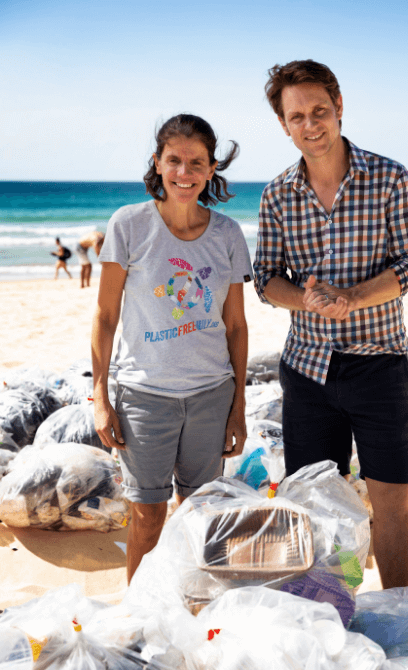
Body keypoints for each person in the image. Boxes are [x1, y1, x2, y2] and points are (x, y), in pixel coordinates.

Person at [253, 60, 408, 590]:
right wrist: (308, 302)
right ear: (283, 125)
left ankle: (398, 609)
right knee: (312, 506)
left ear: (338, 108)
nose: (311, 125)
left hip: (380, 365)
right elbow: (265, 279)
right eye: (297, 116)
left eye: (319, 111)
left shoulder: (388, 177)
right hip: (307, 372)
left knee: (391, 502)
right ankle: (331, 607)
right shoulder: (277, 195)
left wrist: (350, 298)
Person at [92, 114, 252, 583]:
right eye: (175, 160)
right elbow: (104, 317)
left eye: (196, 162)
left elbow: (236, 326)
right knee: (148, 518)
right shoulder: (129, 225)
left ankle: (192, 608)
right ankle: (141, 617)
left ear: (211, 168)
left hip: (211, 396)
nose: (185, 172)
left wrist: (239, 405)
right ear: (158, 165)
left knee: (200, 516)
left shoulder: (227, 234)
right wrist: (100, 398)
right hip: (144, 398)